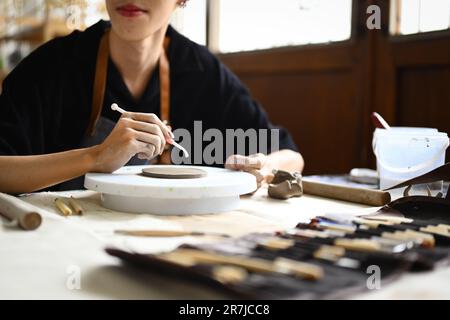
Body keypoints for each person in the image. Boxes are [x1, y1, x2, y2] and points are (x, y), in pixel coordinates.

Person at [0, 0, 304, 194]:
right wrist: (95, 157)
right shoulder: (53, 66)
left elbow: (290, 155)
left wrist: (263, 166)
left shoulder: (201, 71)